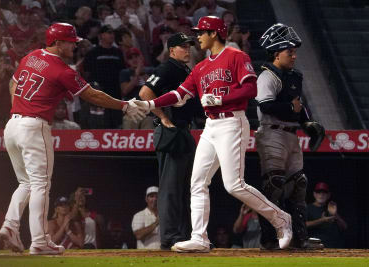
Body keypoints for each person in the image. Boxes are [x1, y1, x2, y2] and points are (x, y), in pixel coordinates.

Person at [135, 16, 293, 253]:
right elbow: (179, 94)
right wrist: (150, 105)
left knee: (234, 185)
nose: (197, 37)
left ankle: (281, 218)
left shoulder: (236, 56)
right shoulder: (200, 67)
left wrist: (221, 98)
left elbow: (251, 89)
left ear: (215, 33)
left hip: (232, 122)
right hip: (211, 125)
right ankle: (199, 237)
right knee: (197, 182)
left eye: (202, 32)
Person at [0, 22, 146, 255]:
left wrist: (22, 106)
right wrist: (124, 106)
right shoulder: (62, 69)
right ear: (58, 43)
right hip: (34, 126)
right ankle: (39, 241)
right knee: (40, 185)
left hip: (12, 125)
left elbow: (13, 83)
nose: (74, 46)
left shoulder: (31, 56)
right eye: (70, 42)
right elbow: (92, 95)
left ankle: (10, 225)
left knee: (26, 183)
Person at [255, 23, 323, 250]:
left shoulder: (294, 76)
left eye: (294, 51)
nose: (294, 55)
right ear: (276, 53)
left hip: (291, 134)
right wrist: (292, 110)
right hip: (271, 132)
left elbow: (298, 105)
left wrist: (307, 123)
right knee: (273, 185)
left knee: (299, 184)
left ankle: (300, 238)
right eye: (289, 52)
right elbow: (266, 106)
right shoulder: (267, 75)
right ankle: (269, 239)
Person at [139, 32, 200, 250]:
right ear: (172, 50)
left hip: (184, 131)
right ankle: (170, 236)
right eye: (183, 46)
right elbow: (144, 93)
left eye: (189, 46)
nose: (187, 49)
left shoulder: (185, 70)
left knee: (185, 187)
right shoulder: (167, 68)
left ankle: (182, 235)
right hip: (171, 132)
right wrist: (162, 117)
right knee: (171, 188)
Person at [307, 182, 348, 248]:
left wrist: (335, 215)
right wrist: (322, 220)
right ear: (314, 194)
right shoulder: (307, 208)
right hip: (316, 247)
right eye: (318, 192)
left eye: (324, 193)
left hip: (334, 246)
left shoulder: (332, 206)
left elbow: (345, 227)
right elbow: (303, 225)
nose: (321, 195)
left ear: (328, 195)